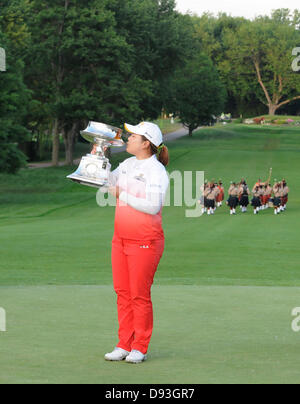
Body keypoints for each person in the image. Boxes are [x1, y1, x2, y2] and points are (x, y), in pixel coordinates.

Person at [99, 122, 170, 364]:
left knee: (139, 295)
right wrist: (101, 155)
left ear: (146, 143)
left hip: (145, 240)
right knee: (122, 293)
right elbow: (108, 181)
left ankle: (139, 346)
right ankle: (123, 344)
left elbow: (152, 206)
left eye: (133, 136)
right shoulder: (128, 164)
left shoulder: (156, 170)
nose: (128, 138)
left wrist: (122, 194)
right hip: (120, 239)